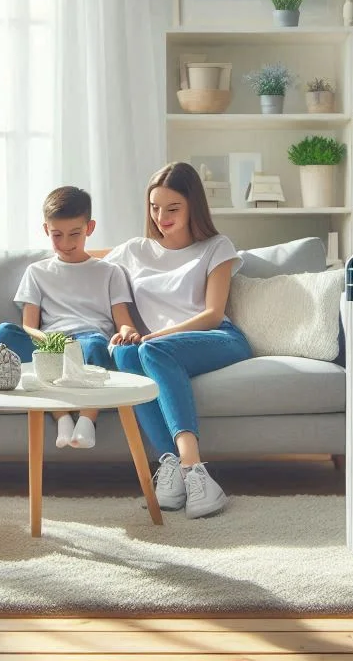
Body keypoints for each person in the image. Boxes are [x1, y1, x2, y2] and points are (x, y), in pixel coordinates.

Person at [106, 162, 251, 520]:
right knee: (125, 355)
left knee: (148, 349)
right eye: (154, 207)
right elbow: (83, 266)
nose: (161, 217)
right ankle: (170, 467)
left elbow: (213, 313)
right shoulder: (134, 251)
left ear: (192, 207)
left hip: (216, 339)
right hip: (158, 349)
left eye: (172, 209)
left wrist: (156, 336)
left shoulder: (216, 246)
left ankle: (195, 469)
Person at [0, 186, 133, 450]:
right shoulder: (36, 271)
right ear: (46, 230)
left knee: (93, 345)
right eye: (57, 235)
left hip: (89, 341)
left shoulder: (110, 272)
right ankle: (62, 417)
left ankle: (87, 420)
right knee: (4, 334)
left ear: (89, 228)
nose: (66, 243)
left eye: (75, 234)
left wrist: (128, 332)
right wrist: (48, 340)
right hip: (50, 343)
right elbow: (28, 326)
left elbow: (122, 320)